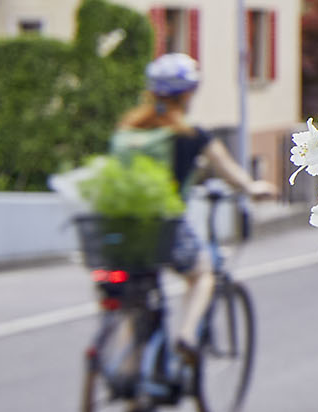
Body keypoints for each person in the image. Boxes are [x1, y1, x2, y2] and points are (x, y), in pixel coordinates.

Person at [109, 53, 276, 361]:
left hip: (120, 230)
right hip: (163, 229)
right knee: (202, 274)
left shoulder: (128, 131)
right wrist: (253, 188)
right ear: (187, 94)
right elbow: (228, 169)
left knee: (134, 308)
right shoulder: (191, 134)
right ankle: (186, 336)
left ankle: (129, 389)